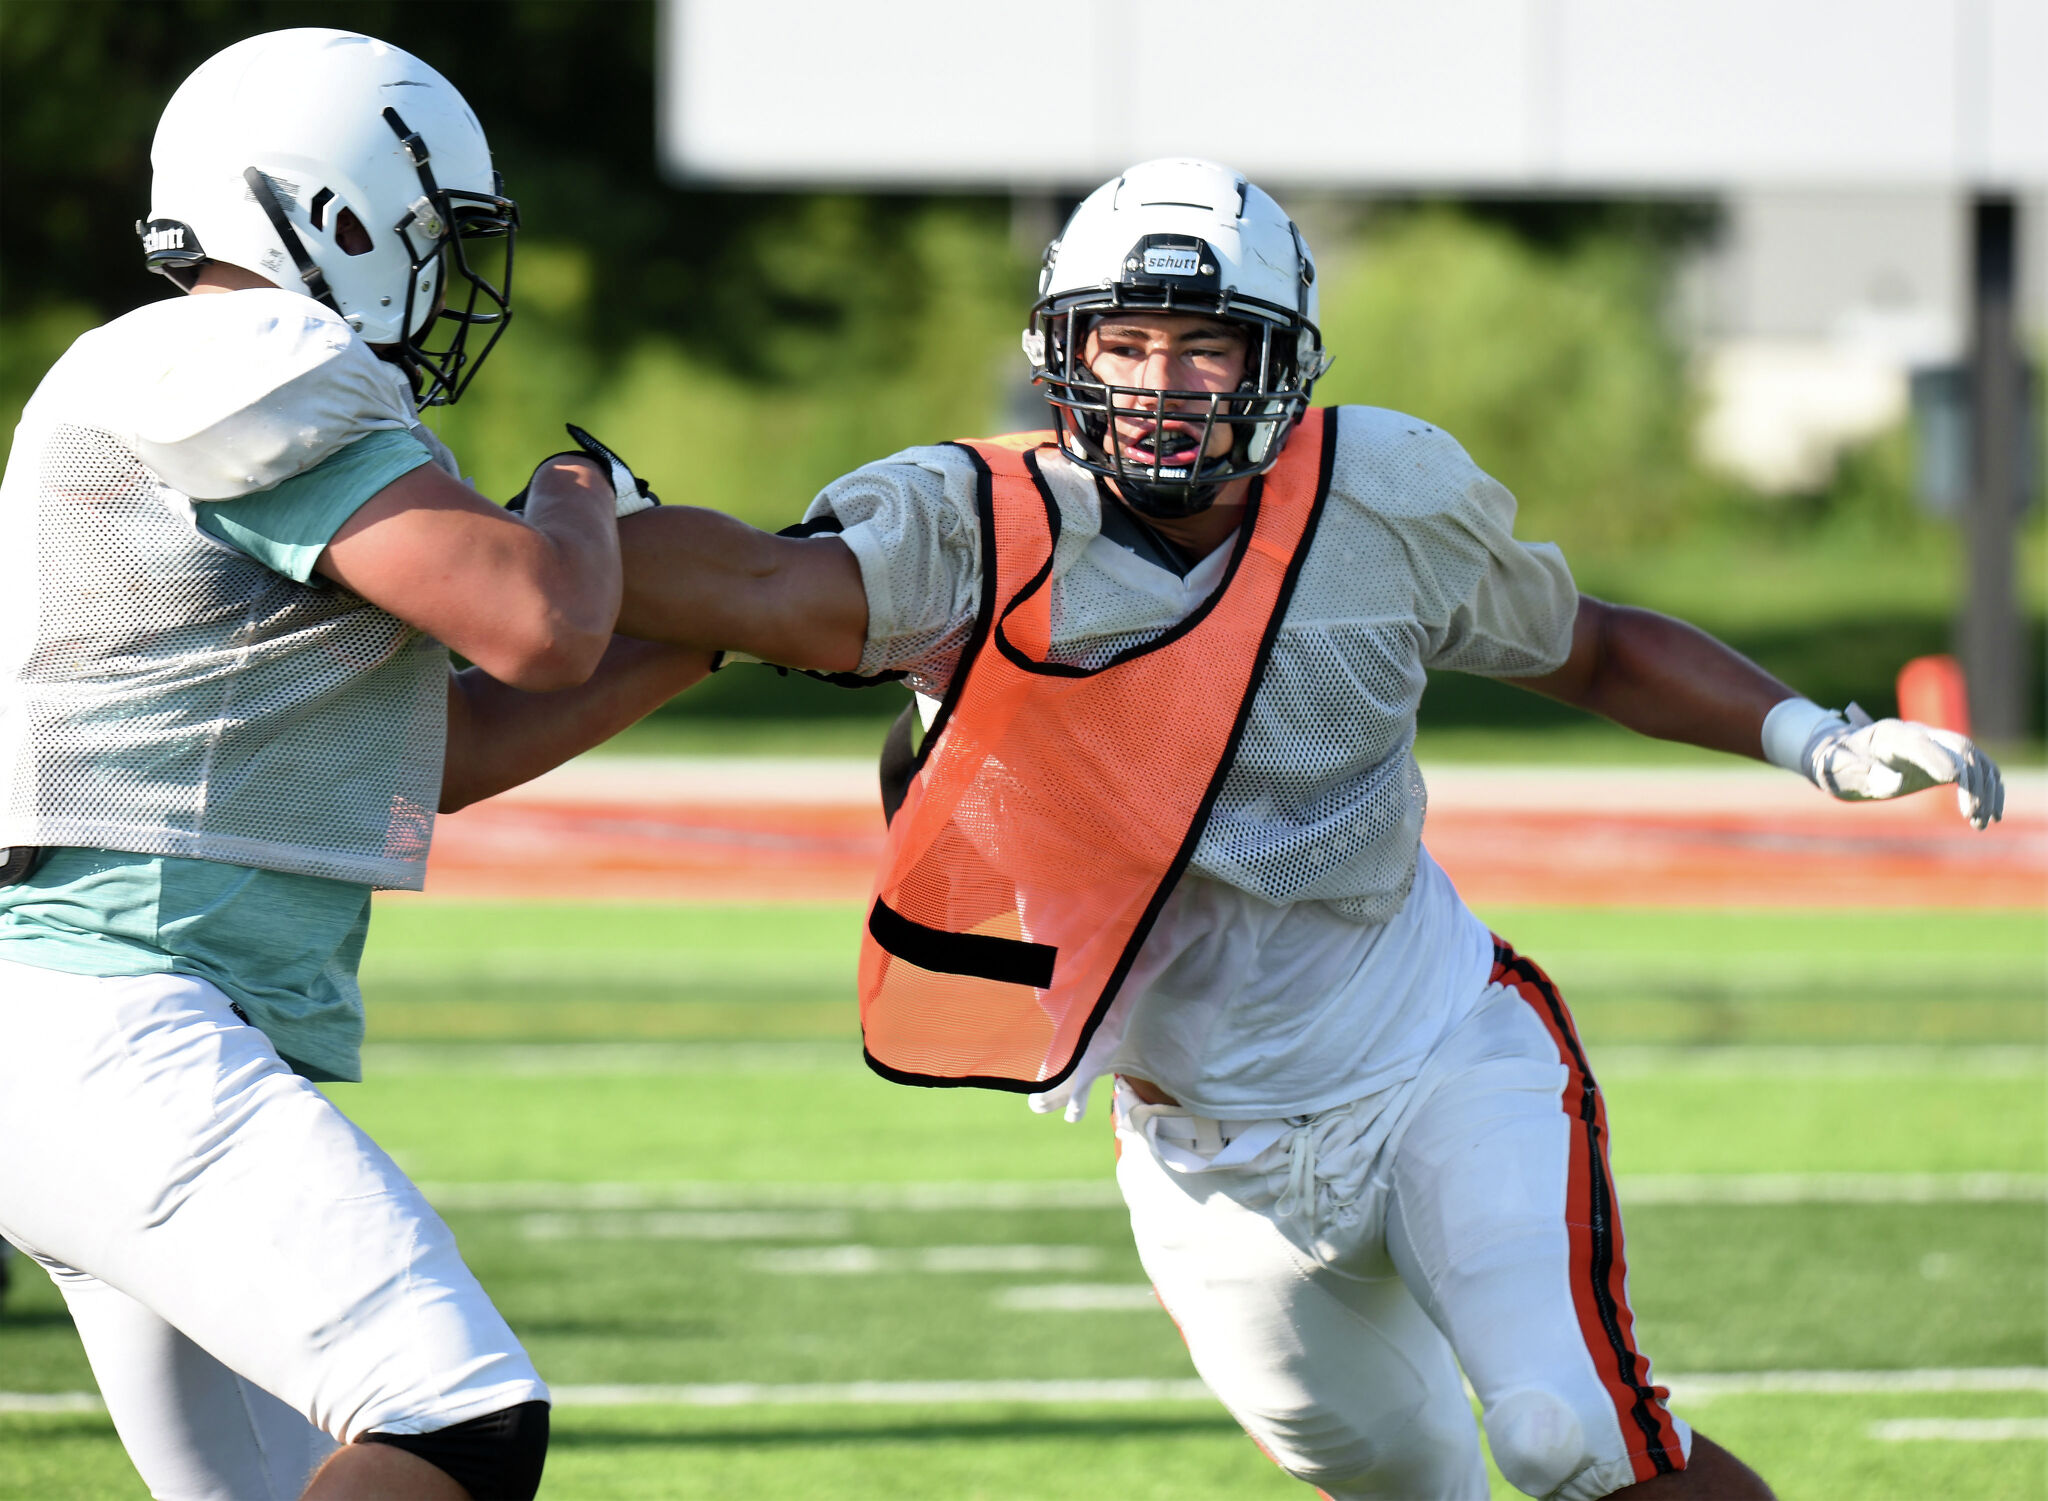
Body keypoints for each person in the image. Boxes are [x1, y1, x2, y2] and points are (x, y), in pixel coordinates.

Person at [610, 157, 2003, 1500]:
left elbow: (1589, 647)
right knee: (1405, 1481)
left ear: (1280, 363)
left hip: (1436, 1056)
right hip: (1203, 1153)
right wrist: (535, 543)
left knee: (1564, 1432)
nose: (1161, 386)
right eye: (1127, 342)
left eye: (1207, 348)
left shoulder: (1381, 499)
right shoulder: (973, 526)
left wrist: (1813, 738)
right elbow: (760, 583)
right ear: (1060, 357)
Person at [0, 29, 706, 1501]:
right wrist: (584, 490)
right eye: (437, 237)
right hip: (107, 1009)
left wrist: (710, 639)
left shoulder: (221, 380)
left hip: (109, 1022)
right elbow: (538, 618)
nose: (452, 281)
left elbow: (446, 745)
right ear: (338, 216)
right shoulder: (239, 347)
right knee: (456, 1420)